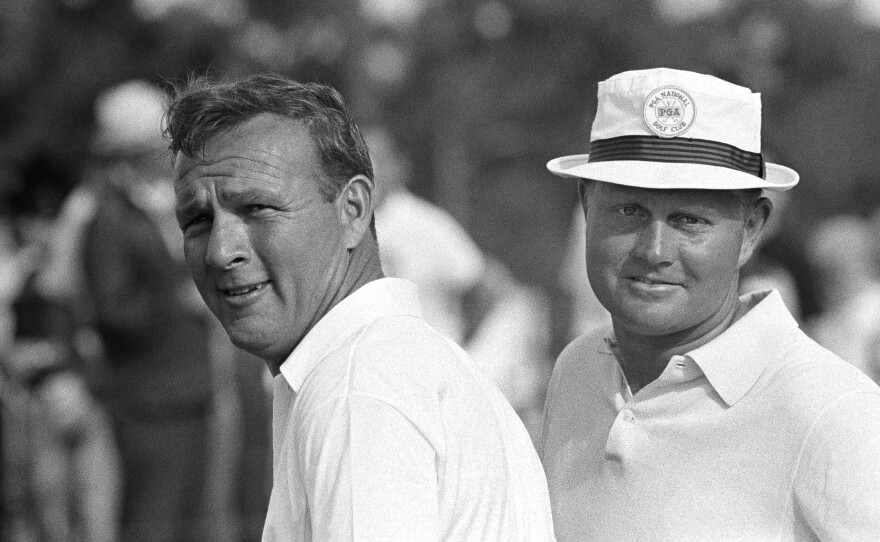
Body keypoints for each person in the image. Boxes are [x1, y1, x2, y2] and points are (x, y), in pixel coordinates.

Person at [164, 73, 555, 542]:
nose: (220, 251)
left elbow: (490, 287)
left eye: (257, 209)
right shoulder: (376, 367)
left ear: (353, 210)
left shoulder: (361, 388)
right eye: (197, 221)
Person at [540, 67, 880, 541]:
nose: (654, 250)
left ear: (751, 230)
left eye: (690, 220)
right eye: (629, 211)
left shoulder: (832, 415)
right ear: (585, 205)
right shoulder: (578, 370)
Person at [84, 80, 216, 542]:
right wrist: (174, 299)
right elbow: (112, 310)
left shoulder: (148, 209)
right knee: (153, 522)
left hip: (183, 392)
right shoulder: (109, 219)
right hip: (150, 400)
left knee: (184, 523)